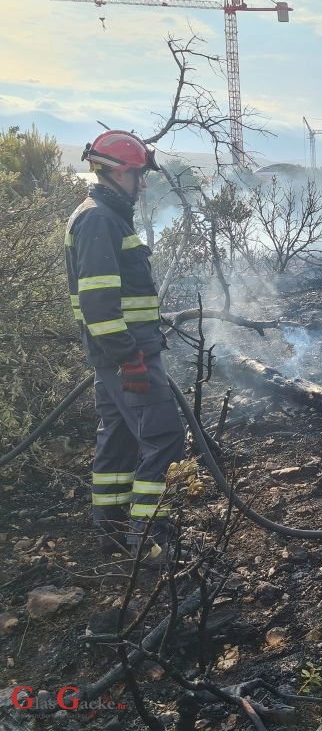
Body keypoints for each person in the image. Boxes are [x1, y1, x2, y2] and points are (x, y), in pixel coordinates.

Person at [65, 130, 185, 557]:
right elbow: (99, 303)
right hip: (127, 355)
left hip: (117, 355)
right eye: (138, 174)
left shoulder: (104, 214)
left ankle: (112, 532)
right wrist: (130, 358)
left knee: (118, 439)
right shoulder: (99, 219)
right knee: (165, 438)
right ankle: (149, 542)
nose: (143, 183)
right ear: (117, 173)